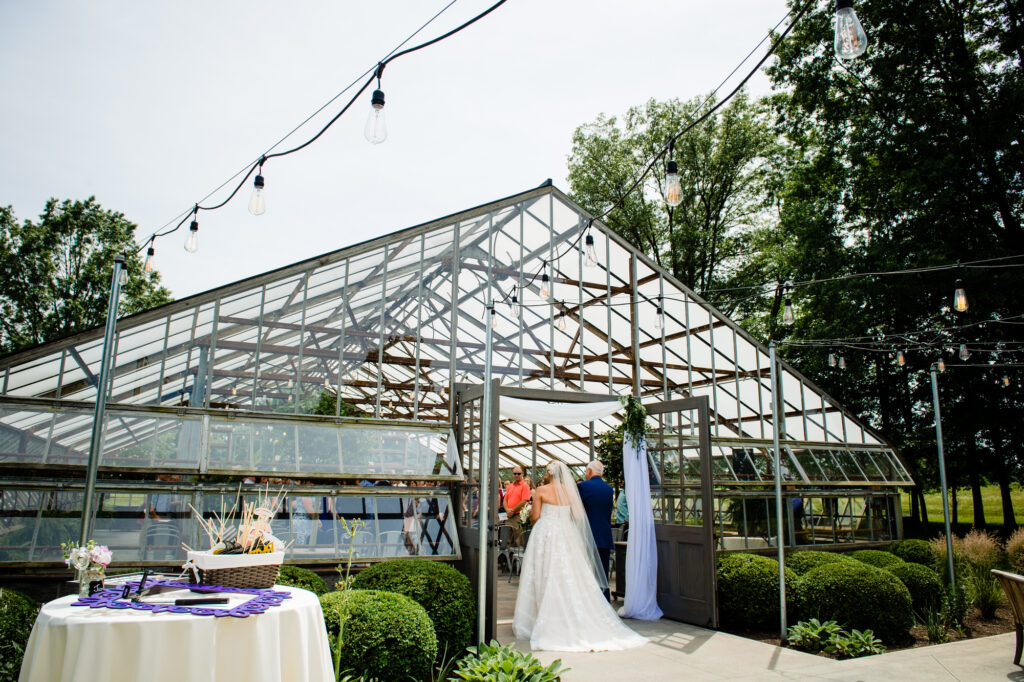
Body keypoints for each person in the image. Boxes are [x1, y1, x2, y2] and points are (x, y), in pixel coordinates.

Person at [513, 461, 646, 652]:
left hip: (546, 533)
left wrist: (539, 518)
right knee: (570, 575)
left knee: (544, 572)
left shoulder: (541, 491)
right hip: (566, 534)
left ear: (549, 473)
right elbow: (578, 515)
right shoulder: (573, 491)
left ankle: (540, 618)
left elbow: (535, 517)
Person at [577, 460, 614, 600]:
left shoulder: (584, 487)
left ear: (589, 471)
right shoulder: (608, 489)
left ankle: (589, 601)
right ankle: (605, 600)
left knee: (587, 571)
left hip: (587, 534)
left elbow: (577, 510)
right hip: (604, 535)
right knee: (603, 572)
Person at [503, 466, 531, 547]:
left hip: (518, 516)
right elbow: (505, 500)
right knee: (507, 541)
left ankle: (518, 559)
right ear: (512, 474)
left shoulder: (525, 486)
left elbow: (524, 501)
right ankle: (507, 558)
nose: (516, 475)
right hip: (509, 516)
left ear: (522, 474)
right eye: (515, 473)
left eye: (518, 473)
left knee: (518, 541)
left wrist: (512, 510)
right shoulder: (510, 486)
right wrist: (508, 510)